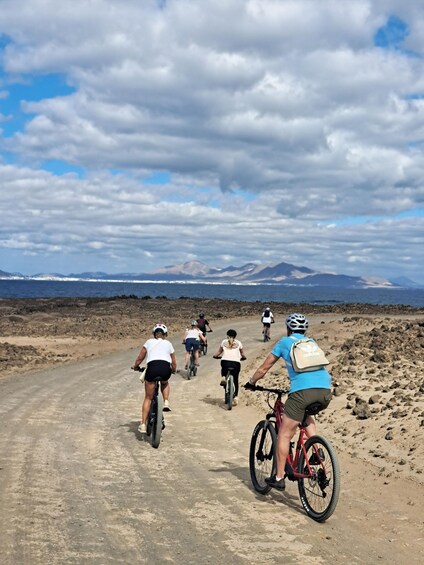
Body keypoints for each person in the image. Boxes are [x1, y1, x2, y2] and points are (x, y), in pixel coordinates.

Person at [245, 313, 332, 490]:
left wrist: (252, 382)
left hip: (302, 392)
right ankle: (317, 449)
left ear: (288, 328)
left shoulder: (285, 342)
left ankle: (278, 477)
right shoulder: (311, 342)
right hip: (325, 391)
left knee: (284, 434)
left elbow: (264, 368)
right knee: (306, 415)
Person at [132, 323, 176, 434]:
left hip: (152, 368)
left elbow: (140, 357)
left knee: (148, 397)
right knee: (165, 382)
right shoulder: (168, 343)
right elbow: (173, 361)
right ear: (165, 334)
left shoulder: (149, 342)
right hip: (165, 368)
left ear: (154, 334)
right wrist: (173, 370)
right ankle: (166, 401)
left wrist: (136, 366)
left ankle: (143, 424)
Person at [213, 329, 246, 406]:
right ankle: (236, 397)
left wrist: (215, 356)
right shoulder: (239, 343)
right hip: (236, 363)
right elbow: (242, 353)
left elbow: (219, 352)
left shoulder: (224, 342)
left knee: (224, 369)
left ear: (227, 335)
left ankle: (224, 377)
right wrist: (244, 357)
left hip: (225, 362)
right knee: (235, 379)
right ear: (235, 336)